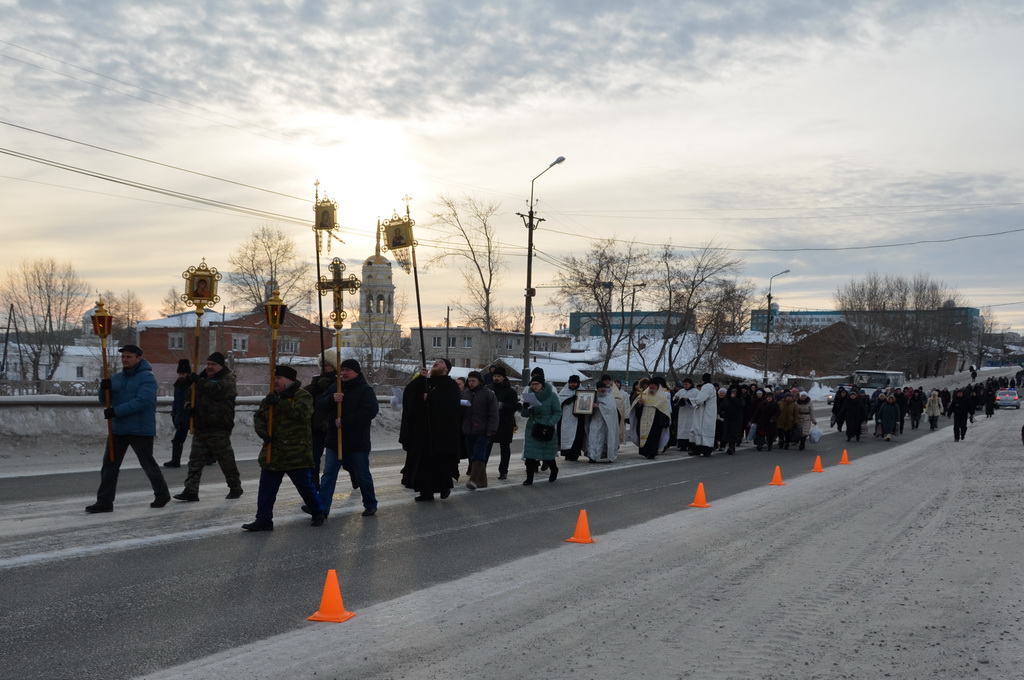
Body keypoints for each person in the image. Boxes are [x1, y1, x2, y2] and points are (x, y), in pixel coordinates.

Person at [86, 344, 170, 513]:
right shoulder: (117, 378)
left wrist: (116, 412)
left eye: (129, 357)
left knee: (147, 463)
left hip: (140, 428)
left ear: (138, 358)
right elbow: (105, 400)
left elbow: (143, 402)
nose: (125, 360)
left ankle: (162, 494)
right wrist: (103, 389)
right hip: (118, 428)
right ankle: (104, 501)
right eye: (123, 357)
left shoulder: (147, 378)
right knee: (109, 465)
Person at [243, 365, 324, 531]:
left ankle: (317, 512)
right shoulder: (270, 397)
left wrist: (280, 402)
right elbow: (259, 417)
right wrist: (262, 432)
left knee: (305, 487)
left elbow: (303, 414)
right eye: (273, 378)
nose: (275, 381)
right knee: (266, 489)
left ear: (290, 380)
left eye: (279, 378)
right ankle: (263, 519)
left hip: (296, 453)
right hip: (273, 452)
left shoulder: (303, 395)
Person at [173, 352, 242, 502]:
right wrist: (189, 407)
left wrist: (199, 381)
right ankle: (191, 490)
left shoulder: (228, 379)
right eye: (208, 364)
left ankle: (235, 487)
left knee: (225, 460)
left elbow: (218, 391)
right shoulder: (200, 379)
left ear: (221, 366)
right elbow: (189, 396)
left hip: (218, 427)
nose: (210, 367)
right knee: (195, 461)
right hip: (201, 427)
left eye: (213, 364)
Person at [315, 358, 380, 517]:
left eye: (347, 370)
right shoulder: (335, 388)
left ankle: (370, 504)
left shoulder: (365, 390)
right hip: (334, 441)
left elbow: (369, 411)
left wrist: (346, 422)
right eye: (342, 370)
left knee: (362, 475)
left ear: (356, 372)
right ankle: (322, 509)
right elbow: (319, 404)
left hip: (357, 441)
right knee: (329, 475)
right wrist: (332, 399)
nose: (344, 373)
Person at [399, 358, 461, 501]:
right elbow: (409, 395)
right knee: (423, 464)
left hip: (440, 433)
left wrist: (430, 398)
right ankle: (425, 492)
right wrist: (420, 380)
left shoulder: (450, 385)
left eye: (440, 362)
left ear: (446, 369)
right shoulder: (426, 382)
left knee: (439, 463)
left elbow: (449, 405)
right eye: (435, 361)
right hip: (422, 432)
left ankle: (444, 486)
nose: (436, 363)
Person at [521, 368, 561, 485]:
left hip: (546, 428)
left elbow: (558, 412)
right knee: (530, 455)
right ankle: (529, 478)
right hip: (532, 427)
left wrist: (549, 423)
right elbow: (525, 415)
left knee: (547, 455)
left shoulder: (552, 395)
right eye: (532, 384)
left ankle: (554, 469)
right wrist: (525, 406)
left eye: (536, 384)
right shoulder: (530, 395)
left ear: (542, 384)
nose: (534, 386)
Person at [461, 370, 498, 490]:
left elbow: (494, 413)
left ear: (480, 381)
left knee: (478, 454)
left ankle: (473, 479)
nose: (471, 383)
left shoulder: (488, 394)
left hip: (483, 430)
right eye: (469, 380)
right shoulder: (465, 393)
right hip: (468, 430)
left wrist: (491, 429)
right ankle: (482, 481)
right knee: (472, 455)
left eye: (473, 381)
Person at [306, 355, 339, 488]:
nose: (325, 368)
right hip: (317, 425)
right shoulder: (317, 381)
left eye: (328, 365)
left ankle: (354, 476)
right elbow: (306, 394)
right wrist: (317, 386)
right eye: (323, 365)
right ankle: (314, 484)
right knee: (314, 458)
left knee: (342, 457)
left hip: (332, 425)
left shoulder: (340, 382)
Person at [486, 365, 519, 480]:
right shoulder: (488, 388)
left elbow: (514, 406)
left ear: (503, 377)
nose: (496, 378)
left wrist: (502, 405)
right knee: (486, 446)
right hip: (490, 422)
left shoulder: (510, 391)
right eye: (494, 376)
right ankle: (481, 469)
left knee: (504, 447)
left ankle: (503, 471)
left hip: (505, 422)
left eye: (499, 376)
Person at [629, 376, 672, 459]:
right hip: (643, 420)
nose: (652, 387)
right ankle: (644, 452)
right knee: (644, 436)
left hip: (655, 422)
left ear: (657, 387)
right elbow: (635, 409)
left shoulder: (662, 397)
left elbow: (665, 410)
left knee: (653, 438)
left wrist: (661, 421)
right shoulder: (643, 395)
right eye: (650, 385)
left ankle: (652, 453)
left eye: (654, 386)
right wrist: (639, 404)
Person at [163, 359, 191, 468]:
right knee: (177, 439)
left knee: (202, 439)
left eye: (183, 374)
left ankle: (210, 457)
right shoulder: (178, 385)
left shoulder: (193, 384)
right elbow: (176, 401)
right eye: (179, 374)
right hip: (181, 416)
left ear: (188, 374)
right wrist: (174, 413)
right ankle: (175, 460)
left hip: (192, 415)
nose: (181, 376)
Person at [586, 379, 620, 462]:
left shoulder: (609, 396)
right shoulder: (594, 396)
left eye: (603, 388)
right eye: (600, 388)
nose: (602, 389)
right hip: (595, 420)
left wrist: (599, 406)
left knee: (604, 439)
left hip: (606, 422)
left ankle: (607, 455)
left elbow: (612, 408)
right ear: (597, 389)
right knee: (593, 438)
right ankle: (593, 456)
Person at [557, 374, 587, 461]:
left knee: (578, 436)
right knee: (566, 436)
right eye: (571, 383)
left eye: (575, 383)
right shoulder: (563, 392)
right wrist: (570, 399)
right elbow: (559, 403)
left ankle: (575, 453)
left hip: (578, 419)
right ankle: (567, 453)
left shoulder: (583, 392)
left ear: (578, 383)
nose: (573, 384)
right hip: (566, 419)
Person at [690, 373, 718, 456]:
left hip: (704, 412)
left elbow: (699, 399)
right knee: (706, 430)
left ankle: (700, 449)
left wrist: (689, 400)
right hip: (709, 412)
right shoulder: (712, 387)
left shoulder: (706, 387)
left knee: (700, 429)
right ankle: (706, 449)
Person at [672, 377, 698, 452]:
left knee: (690, 429)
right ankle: (682, 445)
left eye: (686, 384)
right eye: (684, 384)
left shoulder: (695, 391)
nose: (685, 386)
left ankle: (690, 445)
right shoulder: (681, 391)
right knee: (682, 429)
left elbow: (697, 400)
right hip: (682, 412)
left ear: (691, 384)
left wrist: (688, 399)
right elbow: (675, 397)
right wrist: (676, 398)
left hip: (691, 413)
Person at [719, 385, 746, 455]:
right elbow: (721, 407)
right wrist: (718, 413)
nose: (733, 393)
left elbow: (741, 405)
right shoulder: (727, 399)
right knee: (725, 432)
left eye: (735, 392)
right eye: (732, 392)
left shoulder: (740, 399)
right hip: (727, 418)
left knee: (733, 434)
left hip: (736, 419)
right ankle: (722, 445)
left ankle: (731, 448)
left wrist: (734, 398)